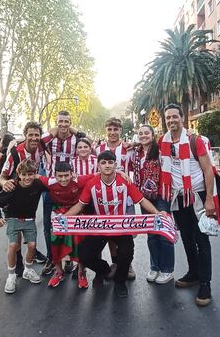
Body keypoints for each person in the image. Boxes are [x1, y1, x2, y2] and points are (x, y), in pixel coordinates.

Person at [66, 151, 169, 299]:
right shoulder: (92, 184)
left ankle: (120, 281)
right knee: (84, 253)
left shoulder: (124, 182)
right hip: (99, 228)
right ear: (98, 166)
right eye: (103, 162)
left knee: (127, 252)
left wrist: (157, 212)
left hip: (121, 227)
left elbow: (141, 201)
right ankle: (106, 270)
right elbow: (79, 206)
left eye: (110, 162)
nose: (107, 165)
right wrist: (63, 218)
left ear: (115, 164)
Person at [159, 104, 218, 307]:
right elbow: (147, 148)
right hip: (178, 197)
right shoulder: (164, 141)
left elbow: (208, 170)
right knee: (186, 238)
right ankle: (193, 273)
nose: (171, 120)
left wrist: (209, 198)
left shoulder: (195, 140)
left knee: (202, 240)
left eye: (175, 116)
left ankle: (205, 284)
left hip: (199, 196)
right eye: (168, 117)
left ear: (182, 118)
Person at [40, 111, 85, 275]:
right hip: (52, 186)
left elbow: (88, 142)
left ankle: (71, 259)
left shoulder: (76, 139)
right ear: (56, 122)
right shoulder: (50, 139)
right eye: (60, 121)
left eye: (66, 121)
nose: (63, 124)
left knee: (73, 225)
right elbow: (38, 140)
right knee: (48, 226)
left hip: (71, 188)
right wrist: (53, 130)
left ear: (70, 122)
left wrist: (73, 130)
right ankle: (51, 259)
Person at [0, 159, 46, 294]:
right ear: (19, 174)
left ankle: (27, 269)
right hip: (13, 218)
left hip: (29, 219)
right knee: (13, 246)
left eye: (31, 174)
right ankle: (11, 275)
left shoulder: (38, 184)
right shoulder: (12, 187)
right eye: (24, 175)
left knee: (32, 245)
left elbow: (53, 184)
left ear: (35, 174)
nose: (27, 178)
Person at [38, 162, 94, 289]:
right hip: (58, 213)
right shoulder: (49, 182)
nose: (63, 179)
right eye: (60, 176)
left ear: (71, 173)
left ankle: (81, 272)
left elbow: (99, 173)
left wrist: (121, 172)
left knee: (79, 242)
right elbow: (34, 177)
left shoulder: (79, 180)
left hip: (77, 212)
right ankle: (59, 272)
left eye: (66, 175)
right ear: (55, 175)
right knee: (55, 241)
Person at [0, 122, 47, 265]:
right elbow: (1, 176)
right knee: (17, 229)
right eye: (30, 135)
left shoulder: (42, 147)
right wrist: (5, 183)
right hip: (13, 193)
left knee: (28, 223)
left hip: (29, 192)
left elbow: (56, 131)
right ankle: (17, 261)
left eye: (36, 135)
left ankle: (32, 253)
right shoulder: (14, 153)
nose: (33, 138)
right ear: (25, 136)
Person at [133, 124, 174, 284]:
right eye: (141, 133)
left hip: (161, 196)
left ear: (152, 134)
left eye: (146, 133)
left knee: (163, 232)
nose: (143, 136)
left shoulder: (161, 150)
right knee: (151, 234)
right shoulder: (136, 153)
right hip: (145, 197)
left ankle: (167, 269)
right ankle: (155, 267)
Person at [96, 117, 136, 280]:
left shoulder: (128, 149)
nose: (112, 133)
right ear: (106, 131)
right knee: (111, 230)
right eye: (110, 130)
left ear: (120, 131)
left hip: (125, 196)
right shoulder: (98, 149)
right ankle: (116, 262)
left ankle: (127, 263)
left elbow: (138, 164)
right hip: (105, 197)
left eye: (115, 130)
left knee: (125, 231)